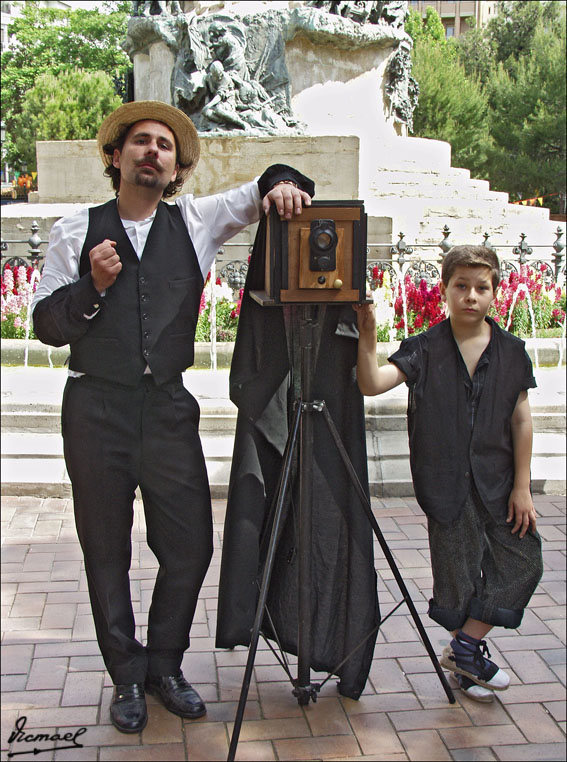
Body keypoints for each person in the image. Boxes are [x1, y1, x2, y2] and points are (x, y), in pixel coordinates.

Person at [31, 99, 314, 733]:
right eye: (140, 142)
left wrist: (287, 183)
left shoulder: (195, 220)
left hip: (166, 409)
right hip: (94, 407)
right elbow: (45, 325)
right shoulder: (74, 230)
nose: (152, 151)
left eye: (164, 145)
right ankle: (125, 677)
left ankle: (164, 665)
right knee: (105, 549)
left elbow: (268, 182)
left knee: (189, 546)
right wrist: (91, 289)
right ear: (116, 156)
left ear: (175, 166)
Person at [354, 245, 544, 703]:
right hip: (444, 485)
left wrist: (523, 486)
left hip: (500, 485)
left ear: (496, 294)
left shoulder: (513, 352)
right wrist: (367, 336)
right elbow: (371, 384)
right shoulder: (424, 348)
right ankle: (468, 662)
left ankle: (463, 647)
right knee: (458, 579)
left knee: (524, 560)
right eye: (461, 286)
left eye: (481, 288)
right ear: (444, 291)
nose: (471, 296)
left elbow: (521, 419)